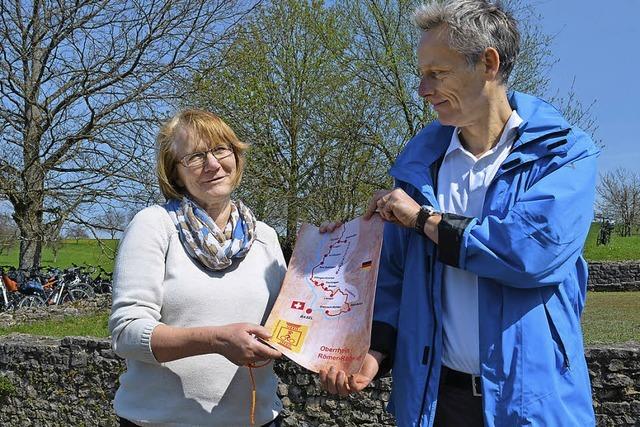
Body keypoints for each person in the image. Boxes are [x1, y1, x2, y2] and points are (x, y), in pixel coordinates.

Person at [319, 1, 598, 426]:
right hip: (436, 402)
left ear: (488, 63)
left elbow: (530, 253)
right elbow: (394, 275)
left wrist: (424, 220)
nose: (422, 89)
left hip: (534, 405)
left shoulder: (563, 153)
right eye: (421, 74)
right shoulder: (417, 165)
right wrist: (376, 350)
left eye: (438, 73)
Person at [109, 110, 286, 427]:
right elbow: (126, 333)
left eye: (221, 150)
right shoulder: (154, 226)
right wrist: (216, 341)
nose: (214, 165)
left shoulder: (266, 237)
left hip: (257, 420)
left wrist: (326, 251)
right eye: (195, 156)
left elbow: (293, 324)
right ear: (174, 173)